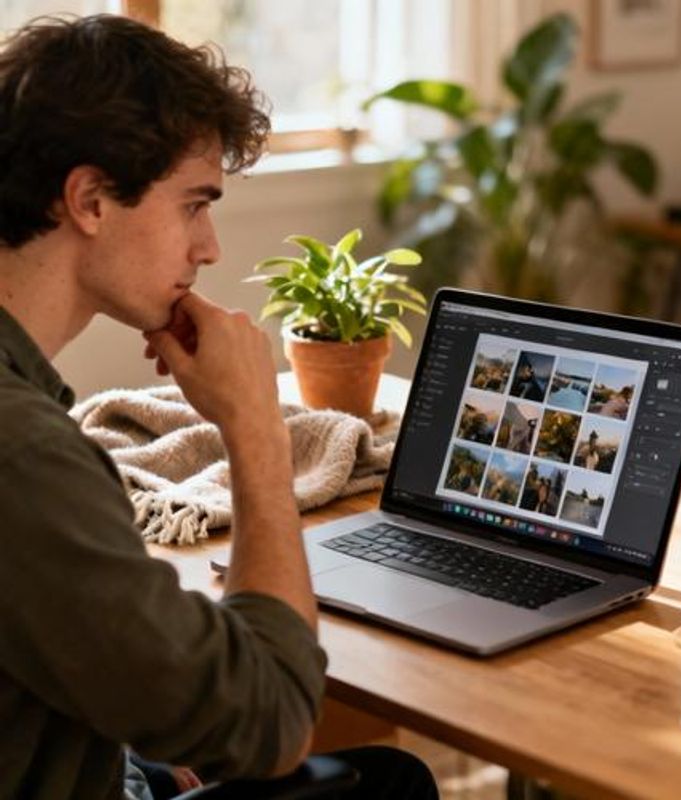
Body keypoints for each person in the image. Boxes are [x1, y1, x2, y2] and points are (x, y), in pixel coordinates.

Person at [0, 14, 437, 800]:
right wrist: (255, 428)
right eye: (194, 205)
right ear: (91, 199)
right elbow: (270, 722)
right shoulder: (23, 455)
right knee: (387, 784)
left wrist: (134, 756)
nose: (209, 249)